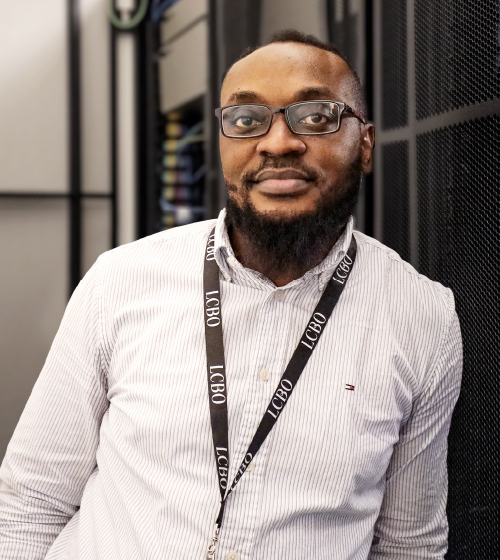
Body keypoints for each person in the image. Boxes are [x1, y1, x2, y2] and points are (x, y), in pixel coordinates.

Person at [0, 30, 462, 560]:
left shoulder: (424, 316)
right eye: (246, 120)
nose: (278, 142)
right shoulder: (120, 280)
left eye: (315, 117)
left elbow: (409, 544)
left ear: (365, 145)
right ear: (223, 144)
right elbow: (30, 503)